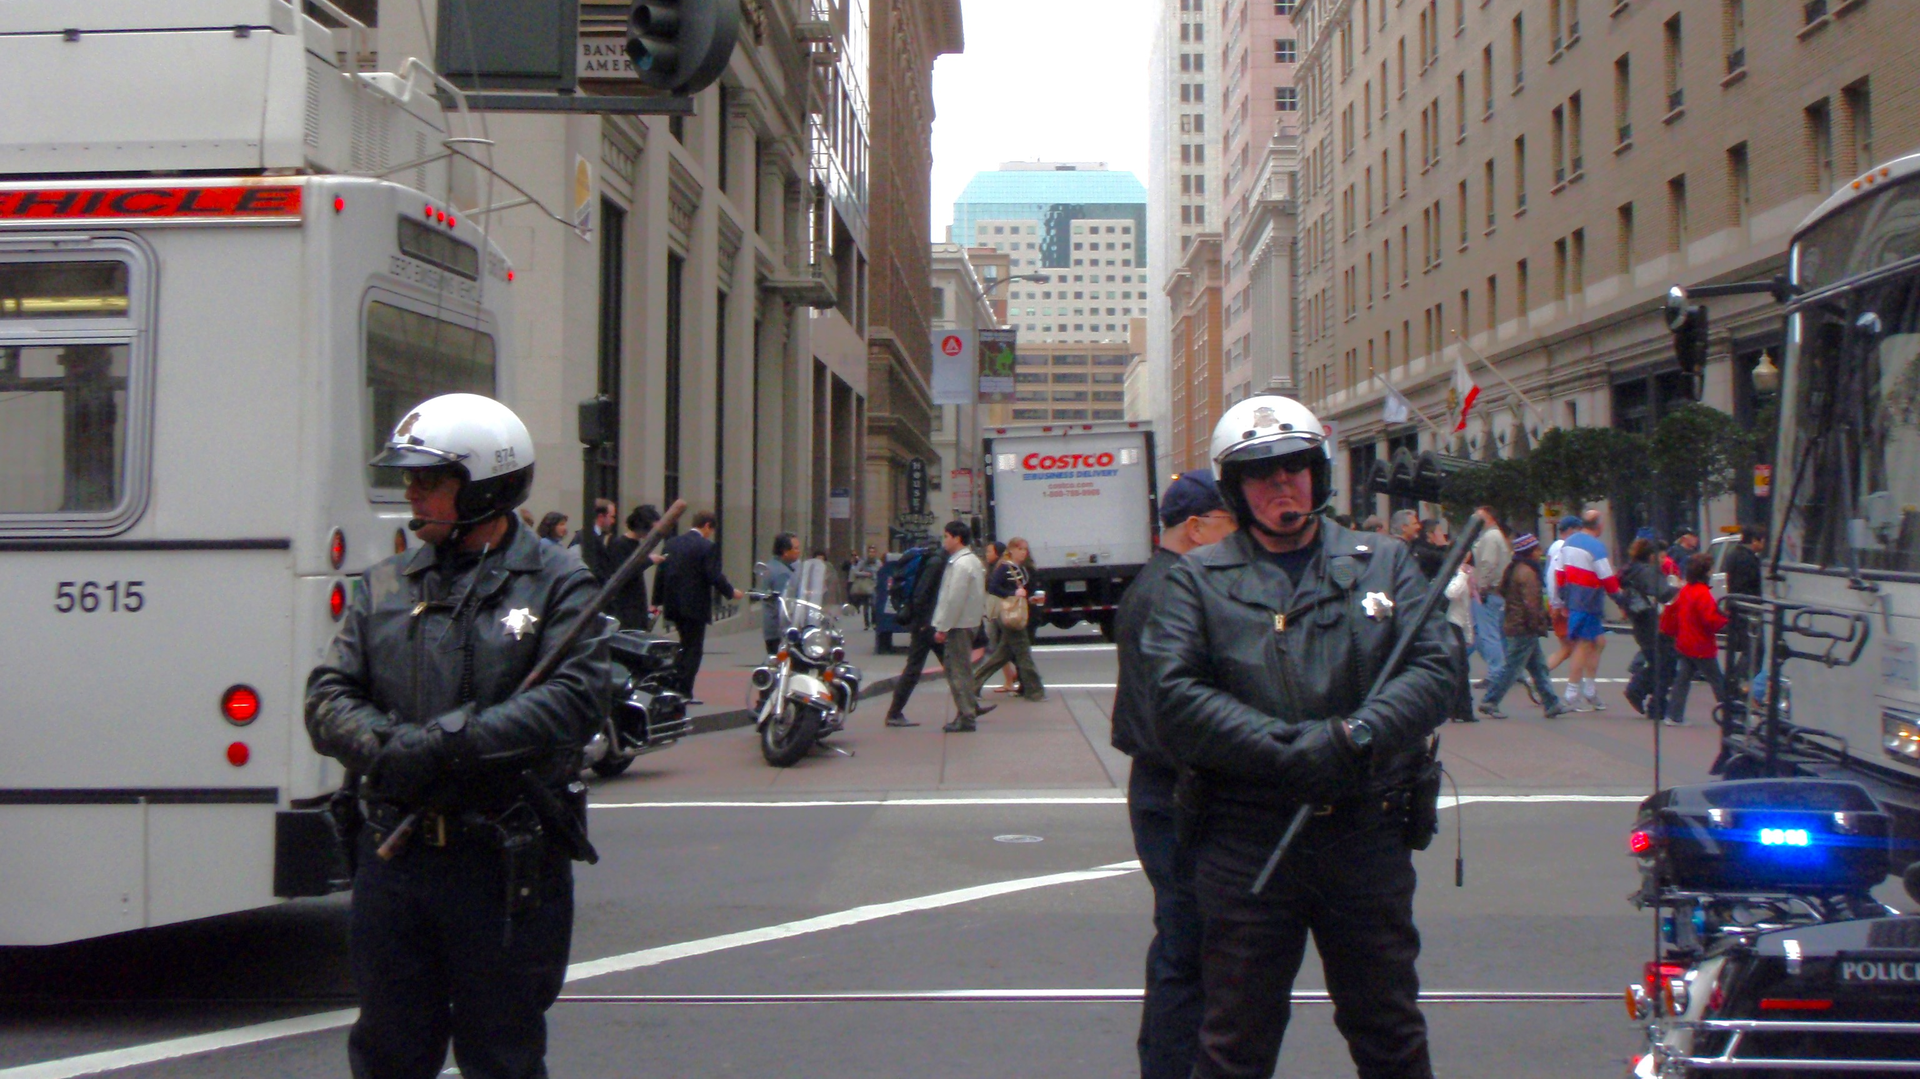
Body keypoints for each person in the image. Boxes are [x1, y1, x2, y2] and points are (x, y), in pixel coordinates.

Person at [1140, 394, 1452, 1079]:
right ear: (1234, 488)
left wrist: (1358, 735)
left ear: (1319, 472)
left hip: (1364, 832)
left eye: (1295, 468)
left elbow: (1434, 668)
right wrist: (1287, 748)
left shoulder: (1386, 562)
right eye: (1262, 473)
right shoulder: (1197, 578)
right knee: (1233, 1040)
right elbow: (1175, 696)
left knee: (1390, 1030)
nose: (1283, 484)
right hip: (1248, 837)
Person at [306, 393, 607, 1079]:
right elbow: (327, 695)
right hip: (395, 860)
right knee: (386, 1052)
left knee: (502, 1055)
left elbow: (573, 699)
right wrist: (385, 746)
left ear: (485, 486)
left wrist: (450, 741)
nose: (410, 493)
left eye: (427, 479)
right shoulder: (383, 584)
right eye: (408, 478)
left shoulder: (559, 582)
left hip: (500, 862)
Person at [1113, 470, 1236, 1079]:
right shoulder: (1174, 592)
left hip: (1168, 789)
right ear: (1197, 527)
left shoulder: (1161, 583)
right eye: (1228, 523)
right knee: (1187, 950)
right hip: (1176, 794)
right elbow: (1178, 714)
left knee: (1188, 945)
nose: (1237, 536)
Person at [651, 510, 744, 702]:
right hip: (695, 606)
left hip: (674, 604)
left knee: (684, 644)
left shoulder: (672, 543)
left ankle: (672, 682)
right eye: (711, 530)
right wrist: (730, 592)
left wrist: (657, 600)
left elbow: (661, 572)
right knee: (693, 648)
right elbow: (713, 575)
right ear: (707, 526)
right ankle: (684, 689)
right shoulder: (706, 547)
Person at [1477, 534, 1569, 719]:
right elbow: (1532, 603)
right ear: (1530, 552)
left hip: (1517, 623)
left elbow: (1504, 592)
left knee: (1538, 666)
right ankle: (1490, 701)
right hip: (1524, 627)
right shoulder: (1528, 573)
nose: (1540, 553)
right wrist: (1540, 623)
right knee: (1512, 668)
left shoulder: (1514, 569)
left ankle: (1551, 703)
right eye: (1537, 549)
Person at [930, 521, 993, 733]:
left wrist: (943, 627)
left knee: (957, 671)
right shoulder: (972, 561)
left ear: (957, 538)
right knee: (962, 670)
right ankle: (967, 711)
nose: (944, 540)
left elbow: (954, 599)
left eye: (946, 536)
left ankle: (966, 716)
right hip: (968, 622)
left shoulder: (960, 564)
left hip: (959, 624)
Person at [1557, 511, 1623, 711]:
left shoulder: (1568, 542)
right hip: (1589, 600)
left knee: (1598, 642)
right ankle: (1572, 692)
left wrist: (1562, 599)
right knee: (1584, 645)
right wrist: (1621, 600)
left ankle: (1590, 689)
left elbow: (1560, 573)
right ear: (1599, 525)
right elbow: (1608, 579)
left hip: (1575, 598)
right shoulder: (1596, 547)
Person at [882, 538, 951, 728]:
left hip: (927, 623)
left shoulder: (936, 561)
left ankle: (969, 705)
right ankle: (894, 713)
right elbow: (922, 594)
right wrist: (923, 622)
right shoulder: (937, 563)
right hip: (926, 625)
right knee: (914, 669)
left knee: (950, 664)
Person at [972, 536, 1048, 703]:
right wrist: (1013, 594)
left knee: (1002, 654)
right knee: (1023, 654)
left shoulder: (1020, 568)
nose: (1023, 553)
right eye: (1020, 549)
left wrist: (1029, 599)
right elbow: (993, 588)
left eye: (1025, 550)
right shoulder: (1005, 568)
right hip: (1010, 617)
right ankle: (1035, 690)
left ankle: (974, 684)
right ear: (1011, 550)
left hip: (1015, 615)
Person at [1660, 551, 1730, 727]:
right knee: (1717, 681)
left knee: (1682, 681)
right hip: (1701, 645)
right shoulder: (1703, 593)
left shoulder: (1686, 590)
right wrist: (1727, 620)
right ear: (1706, 572)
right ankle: (1731, 715)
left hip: (1685, 642)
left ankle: (1674, 715)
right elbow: (1711, 620)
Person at [1619, 538, 1677, 719]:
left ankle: (1647, 696)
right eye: (1660, 556)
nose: (1663, 559)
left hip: (1641, 621)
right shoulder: (1647, 572)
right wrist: (1678, 588)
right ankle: (1645, 695)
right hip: (1652, 621)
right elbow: (1663, 592)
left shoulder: (1633, 569)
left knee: (1658, 660)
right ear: (1651, 556)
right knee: (1665, 662)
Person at [1469, 506, 1511, 688]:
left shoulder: (1490, 537)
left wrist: (1481, 586)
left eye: (1480, 517)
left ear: (1490, 518)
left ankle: (1496, 672)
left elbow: (1487, 563)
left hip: (1489, 591)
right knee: (1492, 633)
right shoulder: (1492, 536)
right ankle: (1502, 669)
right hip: (1495, 591)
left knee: (1488, 633)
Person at [1722, 525, 1765, 691]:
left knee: (1745, 647)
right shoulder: (1748, 559)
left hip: (1736, 607)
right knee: (1754, 648)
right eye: (1762, 541)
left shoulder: (1733, 554)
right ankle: (1738, 683)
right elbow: (1750, 584)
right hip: (1747, 609)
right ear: (1754, 541)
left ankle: (1735, 680)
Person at [1542, 515, 1581, 677]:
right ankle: (1539, 676)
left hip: (1559, 602)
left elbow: (1548, 574)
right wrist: (1557, 603)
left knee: (1571, 648)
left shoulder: (1555, 546)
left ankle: (1540, 676)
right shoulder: (1564, 547)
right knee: (1571, 648)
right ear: (1571, 530)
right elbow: (1553, 577)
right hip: (1562, 604)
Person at [1443, 555, 1477, 722]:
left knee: (1461, 669)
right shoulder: (1457, 574)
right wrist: (1463, 575)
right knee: (1460, 669)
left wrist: (1469, 633)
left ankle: (1461, 710)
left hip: (1457, 625)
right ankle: (1460, 710)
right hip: (1451, 625)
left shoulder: (1465, 575)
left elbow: (1466, 608)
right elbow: (1451, 593)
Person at [761, 533, 800, 655]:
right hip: (780, 631)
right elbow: (786, 604)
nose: (798, 551)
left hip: (772, 629)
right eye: (796, 548)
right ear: (785, 552)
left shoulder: (773, 566)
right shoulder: (782, 573)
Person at [1392, 510, 1444, 581]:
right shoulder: (1398, 549)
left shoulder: (1410, 547)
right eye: (1415, 524)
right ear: (1404, 527)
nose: (1419, 527)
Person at [848, 544, 883, 629]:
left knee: (874, 605)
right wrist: (865, 574)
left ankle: (874, 623)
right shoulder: (862, 562)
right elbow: (855, 572)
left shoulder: (878, 562)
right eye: (870, 552)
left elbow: (882, 572)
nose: (871, 554)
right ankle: (867, 624)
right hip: (865, 585)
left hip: (874, 585)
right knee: (866, 606)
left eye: (873, 552)